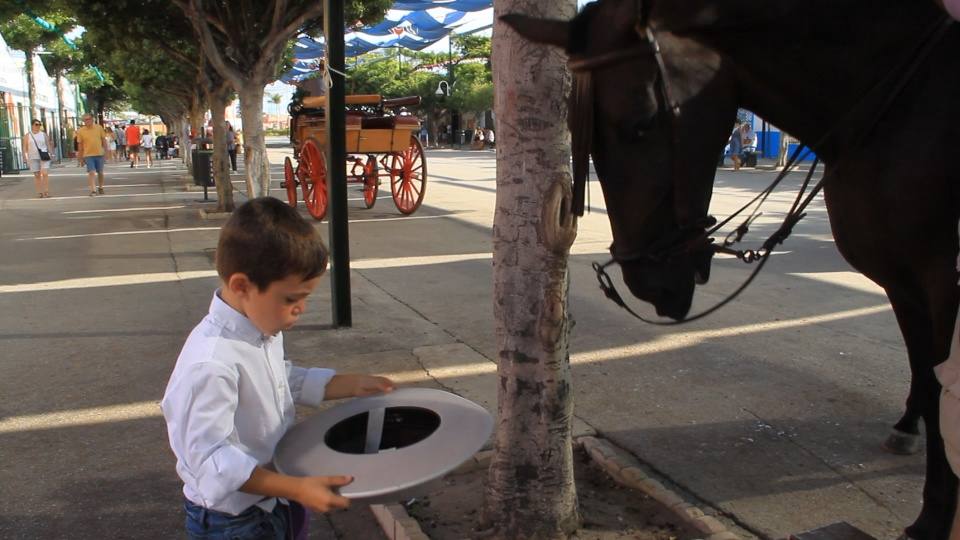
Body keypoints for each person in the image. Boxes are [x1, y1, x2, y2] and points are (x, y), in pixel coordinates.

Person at [161, 197, 395, 540]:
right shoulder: (210, 364)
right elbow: (210, 459)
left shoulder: (257, 329)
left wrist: (349, 384)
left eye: (305, 299)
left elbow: (278, 380)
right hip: (233, 520)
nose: (300, 309)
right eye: (290, 299)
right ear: (242, 286)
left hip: (271, 500)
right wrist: (295, 488)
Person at [76, 114, 109, 196]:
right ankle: (93, 190)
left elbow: (103, 140)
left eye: (89, 119)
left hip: (99, 153)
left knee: (100, 172)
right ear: (83, 121)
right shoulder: (81, 131)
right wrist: (80, 158)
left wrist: (106, 152)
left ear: (92, 119)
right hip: (88, 155)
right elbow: (80, 145)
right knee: (91, 172)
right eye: (85, 120)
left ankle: (101, 187)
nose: (87, 121)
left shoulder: (99, 128)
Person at [22, 119, 52, 198]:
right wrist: (25, 157)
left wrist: (51, 153)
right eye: (36, 124)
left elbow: (48, 144)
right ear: (32, 125)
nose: (38, 126)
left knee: (44, 173)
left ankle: (46, 191)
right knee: (37, 175)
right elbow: (24, 147)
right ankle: (39, 192)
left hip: (44, 156)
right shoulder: (27, 135)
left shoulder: (43, 134)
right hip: (33, 157)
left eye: (39, 125)